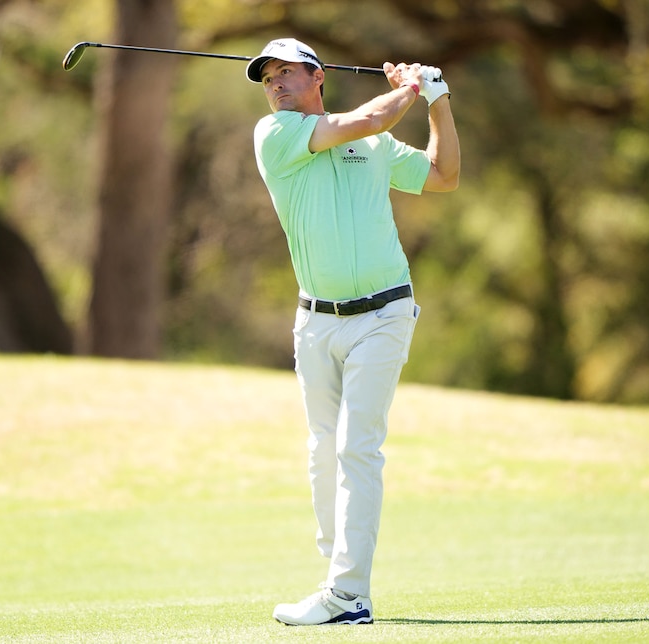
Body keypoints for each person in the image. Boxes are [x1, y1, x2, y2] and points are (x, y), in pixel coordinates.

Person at [245, 38, 461, 626]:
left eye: (288, 74)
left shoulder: (374, 144)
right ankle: (336, 577)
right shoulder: (276, 137)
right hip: (316, 322)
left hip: (385, 314)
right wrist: (409, 88)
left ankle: (348, 595)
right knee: (323, 455)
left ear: (319, 77)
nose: (277, 86)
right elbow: (366, 115)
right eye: (269, 79)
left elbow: (443, 177)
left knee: (355, 448)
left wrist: (437, 101)